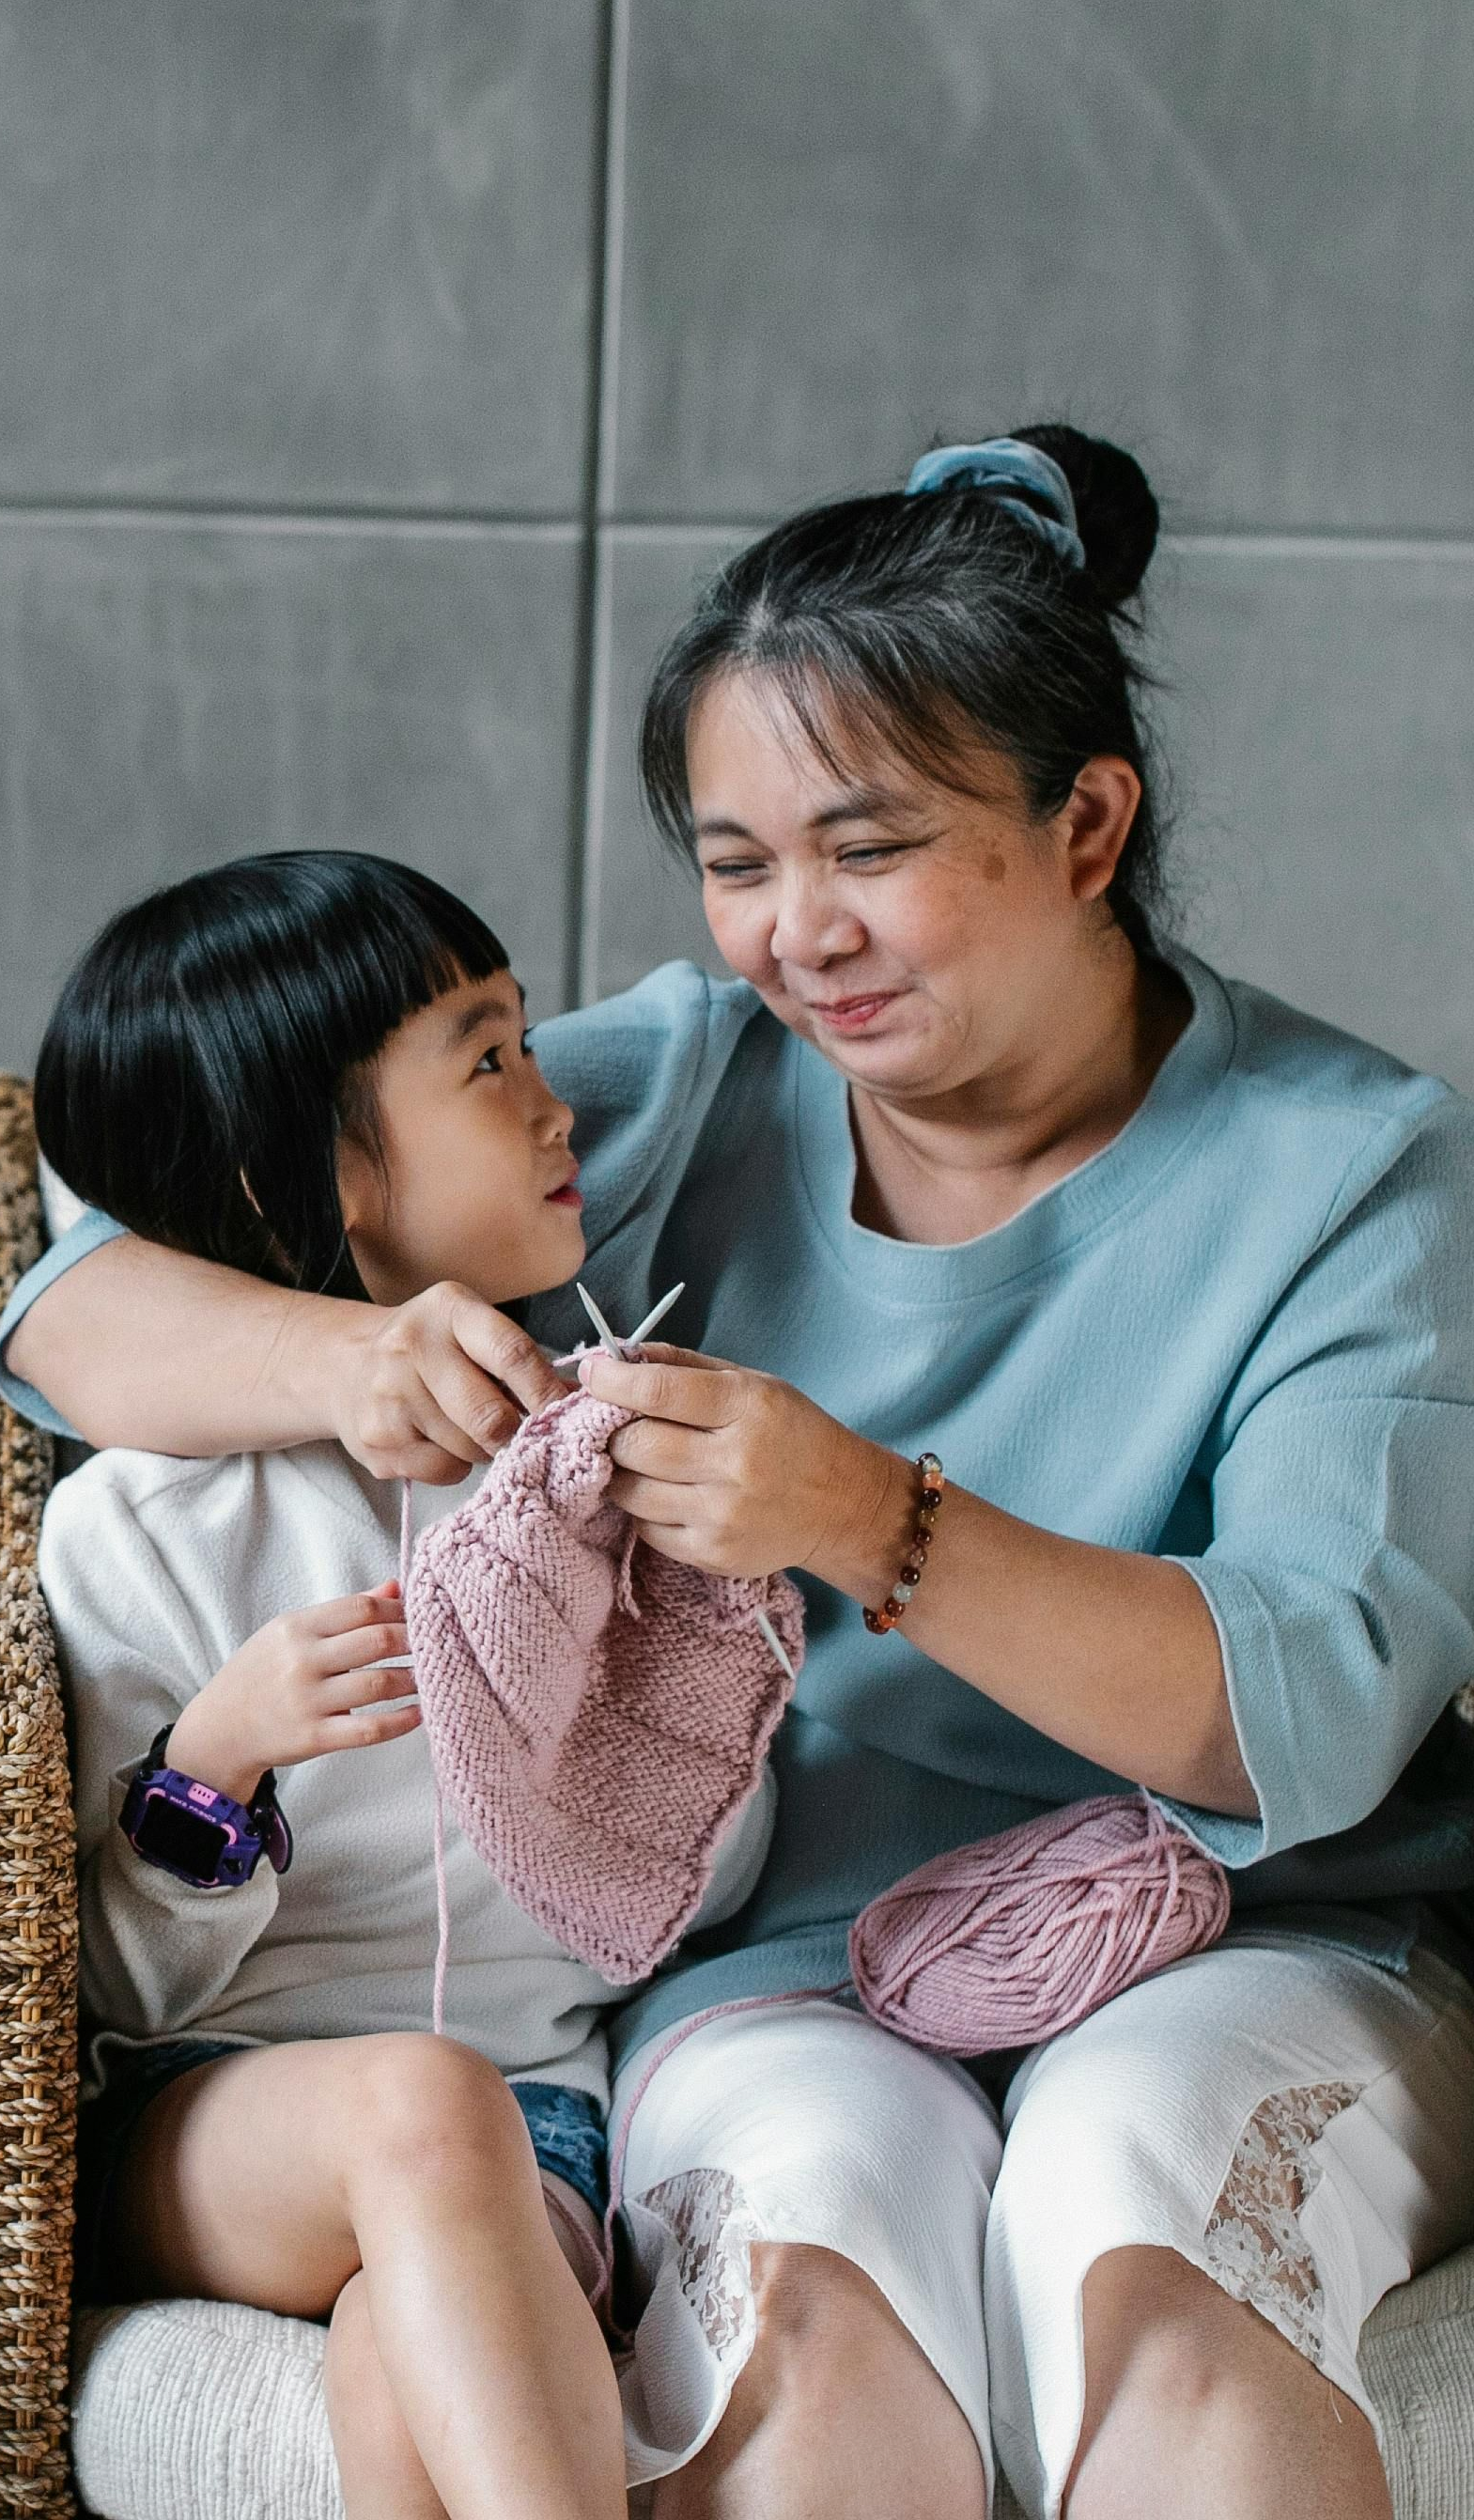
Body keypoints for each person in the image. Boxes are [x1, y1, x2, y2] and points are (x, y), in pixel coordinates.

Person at [7, 426, 1474, 2520]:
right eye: (735, 858)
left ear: (1085, 824)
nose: (799, 936)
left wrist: (877, 1525)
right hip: (767, 1973)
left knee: (1139, 2243)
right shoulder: (699, 1077)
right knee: (806, 2322)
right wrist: (368, 1354)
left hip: (1241, 1933)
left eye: (865, 847)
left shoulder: (1350, 1170)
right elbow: (75, 1278)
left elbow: (1314, 1716)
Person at [24, 852, 774, 2520]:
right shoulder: (137, 1525)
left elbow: (677, 1901)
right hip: (206, 2121)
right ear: (299, 1169)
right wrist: (216, 1760)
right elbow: (116, 1992)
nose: (559, 1099)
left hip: (536, 2145)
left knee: (397, 2366)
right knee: (417, 2105)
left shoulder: (588, 1470)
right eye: (488, 1055)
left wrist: (647, 1696)